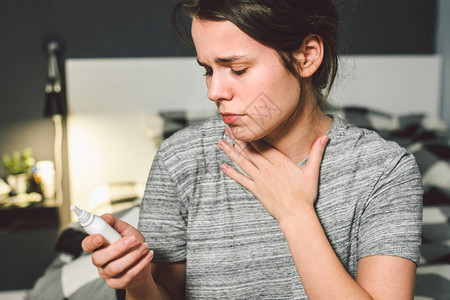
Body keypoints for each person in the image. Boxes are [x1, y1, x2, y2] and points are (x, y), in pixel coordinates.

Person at [81, 0, 423, 299]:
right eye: (208, 70)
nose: (215, 91)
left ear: (307, 56)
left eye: (238, 69)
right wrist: (139, 283)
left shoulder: (386, 172)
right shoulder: (181, 161)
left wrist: (295, 214)